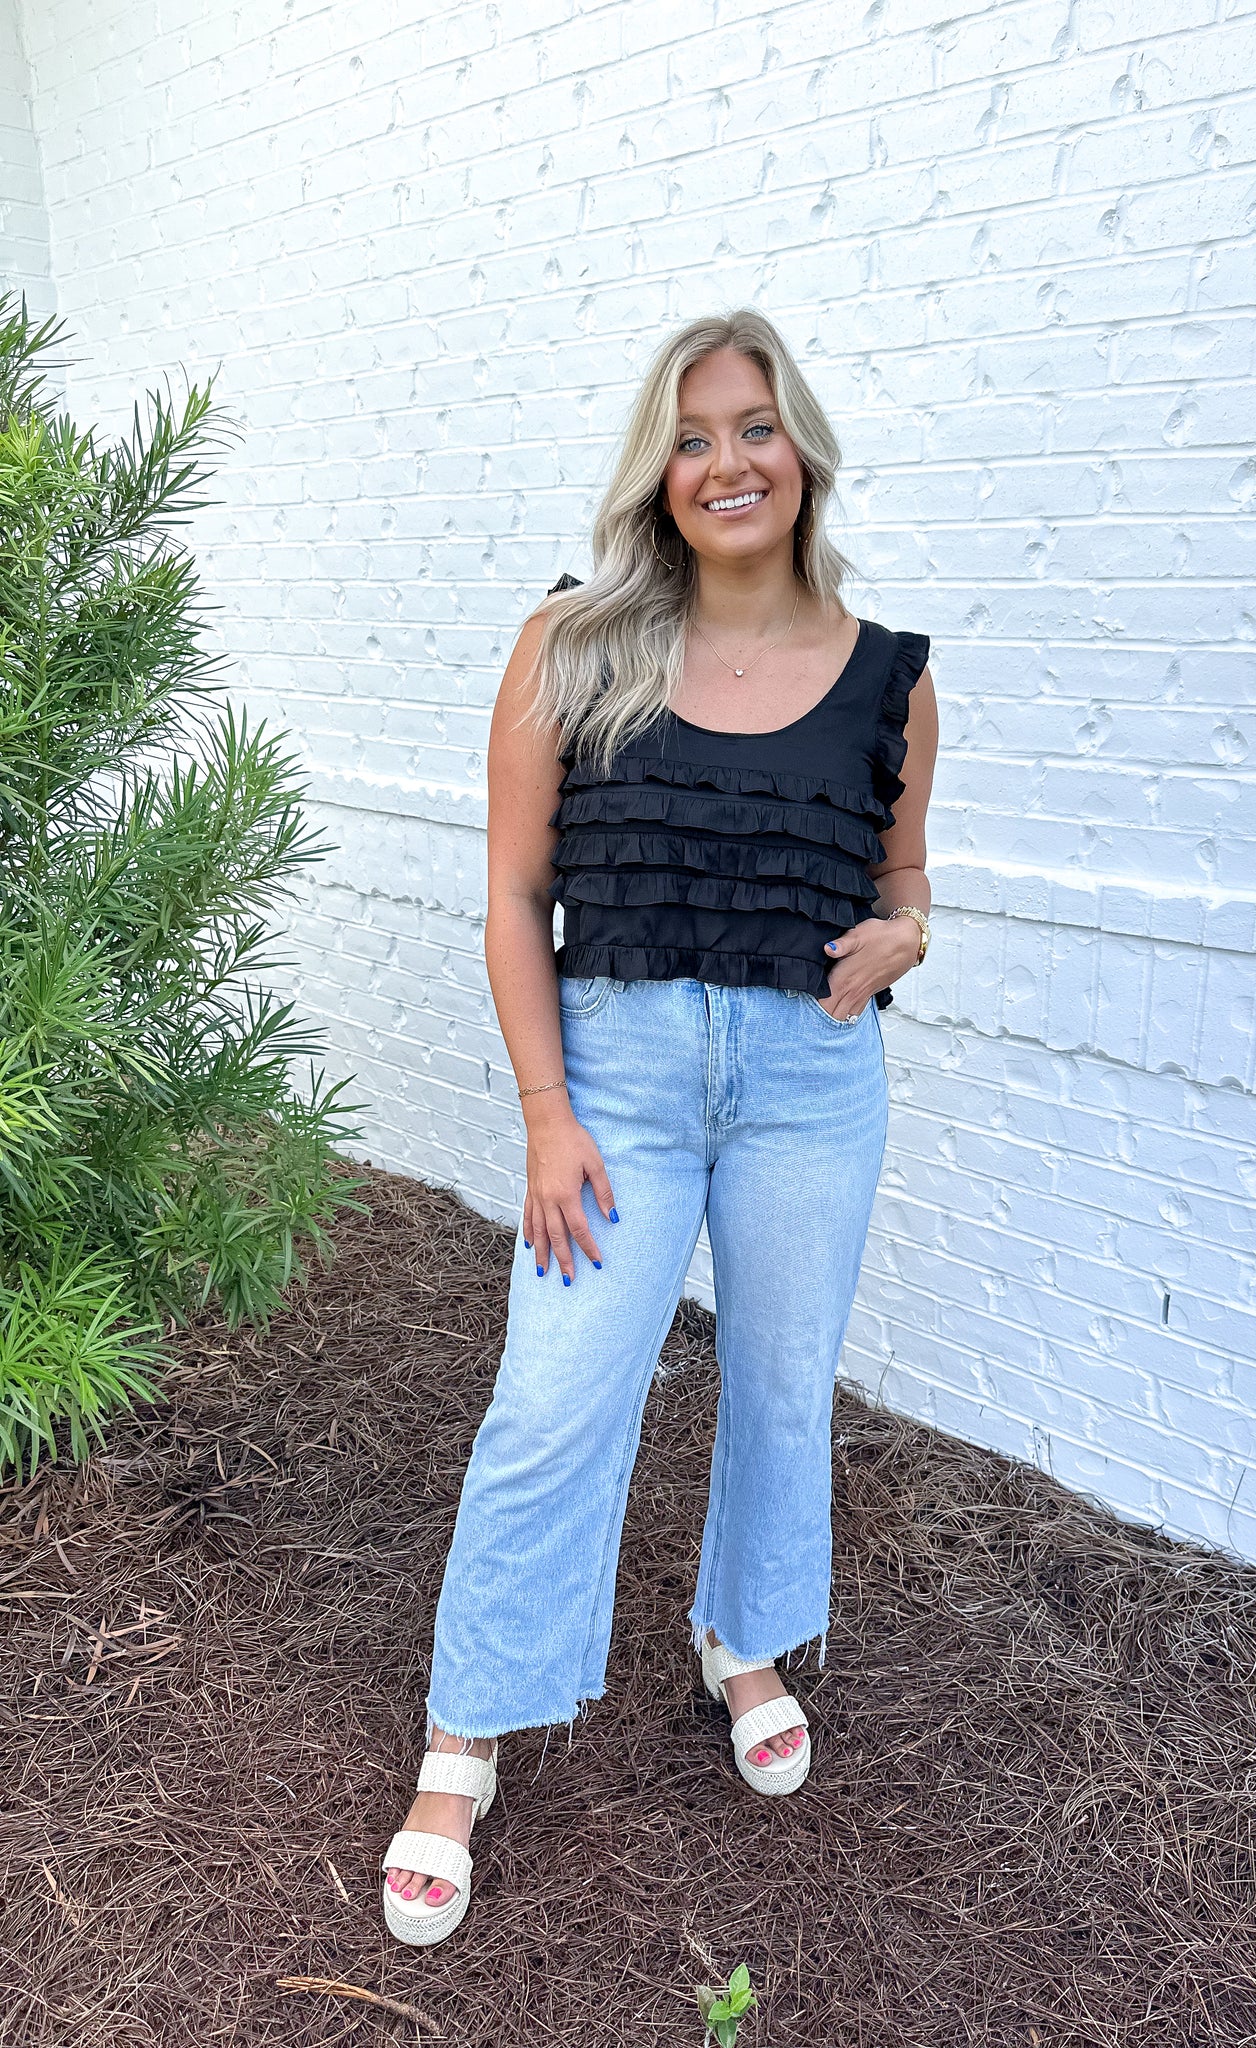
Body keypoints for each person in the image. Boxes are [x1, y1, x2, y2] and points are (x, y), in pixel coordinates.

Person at [381, 308, 938, 1945]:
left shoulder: (894, 678)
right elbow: (510, 895)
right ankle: (462, 1737)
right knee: (552, 1404)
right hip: (614, 1084)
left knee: (778, 1384)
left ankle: (742, 1635)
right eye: (691, 437)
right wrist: (547, 1114)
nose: (725, 461)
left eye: (753, 426)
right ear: (658, 470)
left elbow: (903, 886)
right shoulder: (574, 641)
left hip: (809, 1088)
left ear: (804, 451)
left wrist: (908, 935)